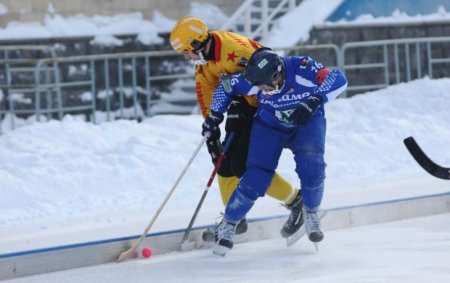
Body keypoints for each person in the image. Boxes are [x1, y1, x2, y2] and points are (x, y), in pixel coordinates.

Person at [202, 47, 347, 256]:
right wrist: (214, 116)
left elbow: (338, 79)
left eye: (263, 85)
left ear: (277, 75)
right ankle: (230, 222)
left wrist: (315, 99)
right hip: (270, 125)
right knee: (255, 176)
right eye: (256, 85)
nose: (260, 88)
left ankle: (311, 212)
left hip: (306, 122)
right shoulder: (254, 78)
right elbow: (226, 87)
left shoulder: (302, 68)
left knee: (312, 167)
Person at [169, 17, 304, 242]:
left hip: (265, 106)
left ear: (196, 44)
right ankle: (234, 219)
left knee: (244, 166)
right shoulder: (204, 60)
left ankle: (297, 201)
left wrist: (245, 101)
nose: (186, 57)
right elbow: (205, 91)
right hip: (240, 105)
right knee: (222, 160)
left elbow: (269, 78)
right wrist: (211, 125)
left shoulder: (234, 51)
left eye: (186, 51)